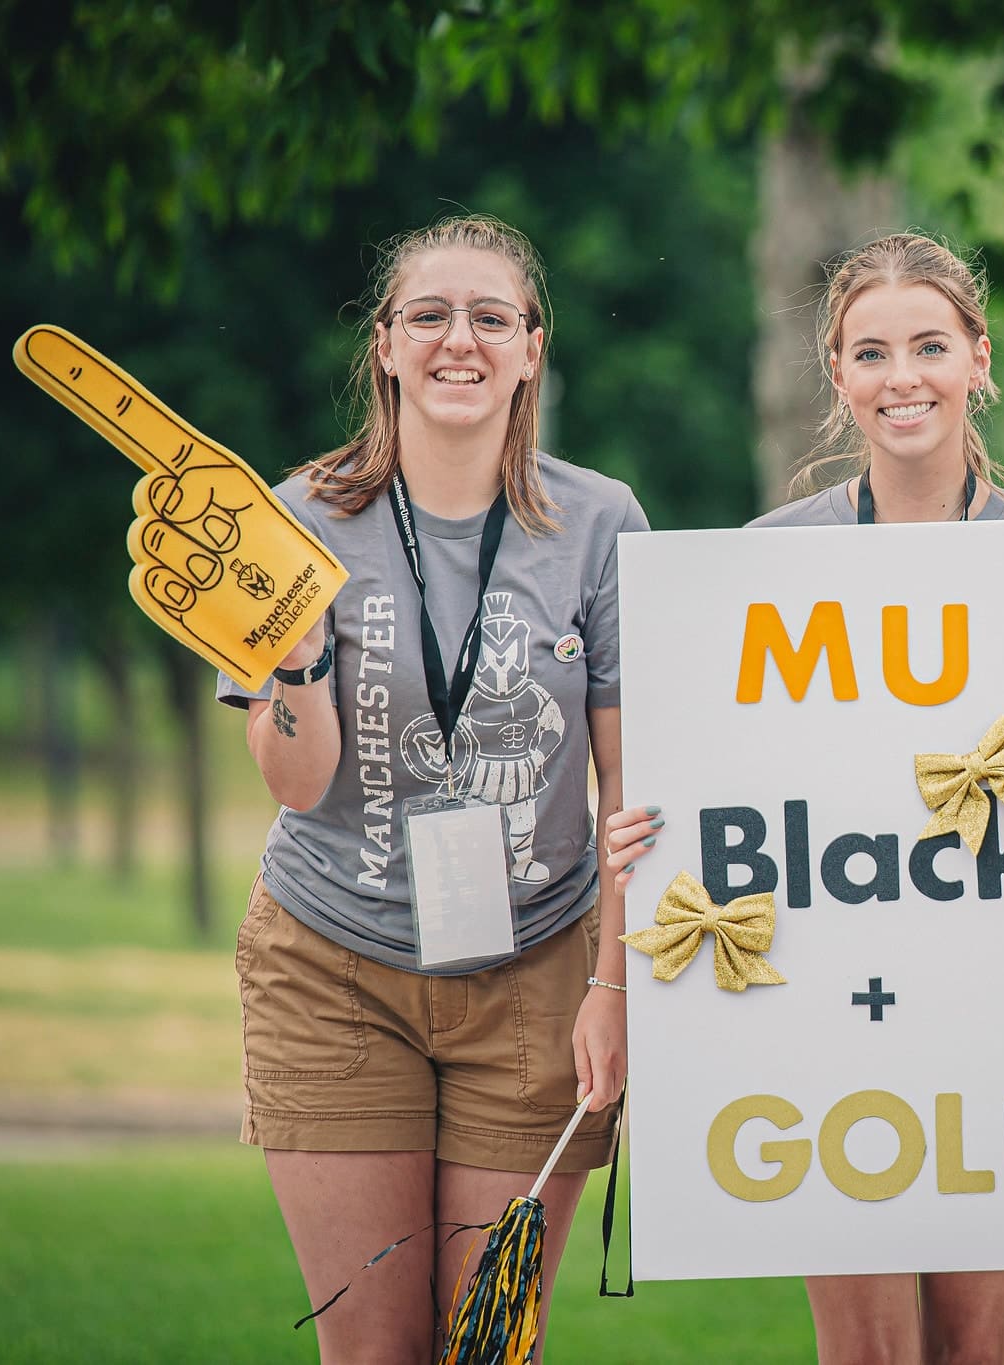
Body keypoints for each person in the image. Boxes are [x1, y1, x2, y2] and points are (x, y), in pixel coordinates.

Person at [604, 231, 1004, 1365]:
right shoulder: (765, 564)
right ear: (838, 377)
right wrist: (647, 837)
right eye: (870, 352)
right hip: (822, 1024)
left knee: (977, 1350)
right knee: (864, 1356)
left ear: (978, 359)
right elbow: (724, 782)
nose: (902, 376)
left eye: (929, 346)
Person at [217, 214, 644, 1365]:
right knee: (372, 1355)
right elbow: (299, 783)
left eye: (491, 318)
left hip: (540, 972)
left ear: (531, 350)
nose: (462, 340)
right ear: (387, 348)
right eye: (430, 316)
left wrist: (614, 980)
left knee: (488, 1350)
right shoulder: (296, 518)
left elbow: (634, 788)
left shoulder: (601, 521)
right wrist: (299, 655)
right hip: (332, 968)